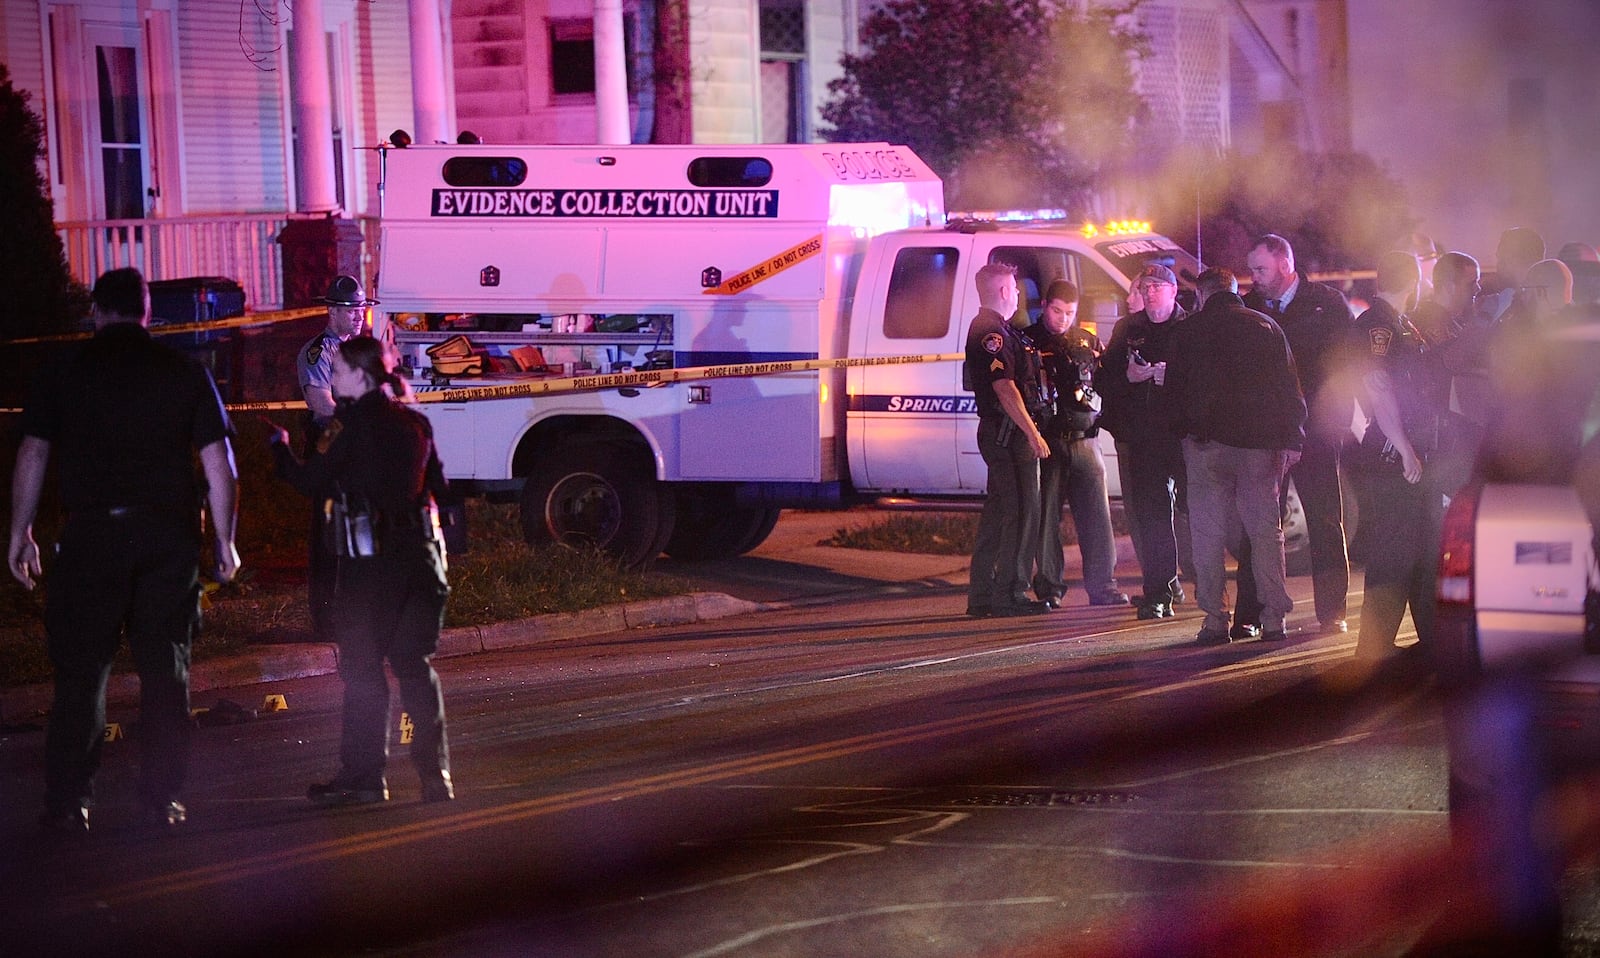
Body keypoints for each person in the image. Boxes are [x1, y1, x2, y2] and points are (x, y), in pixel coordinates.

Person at [8, 267, 241, 833]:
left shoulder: (63, 372)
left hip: (91, 538)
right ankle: (159, 801)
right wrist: (226, 542)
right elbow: (220, 465)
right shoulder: (185, 371)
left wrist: (19, 531)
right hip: (166, 539)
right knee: (167, 672)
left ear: (95, 310)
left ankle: (68, 804)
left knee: (82, 673)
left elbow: (34, 454)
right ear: (146, 312)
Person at [268, 335, 455, 805]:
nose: (330, 380)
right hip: (420, 564)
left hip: (369, 570)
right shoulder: (416, 424)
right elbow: (443, 496)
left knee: (364, 671)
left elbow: (310, 480)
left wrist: (280, 448)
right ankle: (436, 777)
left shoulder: (343, 428)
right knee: (415, 668)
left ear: (360, 376)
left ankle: (364, 778)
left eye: (337, 372)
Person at [1166, 268, 1305, 645]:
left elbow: (1173, 394)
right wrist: (1292, 438)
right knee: (1264, 534)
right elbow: (1289, 388)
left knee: (1208, 535)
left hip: (1206, 447)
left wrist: (1181, 440)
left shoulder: (1188, 332)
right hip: (1260, 450)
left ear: (1203, 295)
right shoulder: (1266, 327)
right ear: (1234, 291)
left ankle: (1215, 621)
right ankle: (1274, 619)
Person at [1242, 234, 1354, 634]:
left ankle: (1332, 612)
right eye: (1252, 269)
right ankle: (1253, 614)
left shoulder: (1326, 305)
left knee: (1326, 520)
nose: (1253, 277)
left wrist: (1338, 420)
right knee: (1258, 524)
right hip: (1269, 435)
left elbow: (1347, 367)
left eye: (1261, 269)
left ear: (1285, 264)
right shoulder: (1249, 308)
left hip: (1318, 431)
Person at [1348, 252, 1449, 661]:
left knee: (1424, 547)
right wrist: (1405, 448)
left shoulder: (1402, 323)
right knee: (1394, 549)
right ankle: (1373, 648)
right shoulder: (1380, 325)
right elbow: (1379, 388)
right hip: (1394, 454)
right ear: (1415, 281)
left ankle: (1432, 638)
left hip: (1412, 449)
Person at [1022, 279, 1128, 608]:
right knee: (1047, 519)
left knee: (1097, 518)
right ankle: (1050, 588)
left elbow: (1106, 382)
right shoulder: (1028, 341)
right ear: (1045, 306)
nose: (1062, 318)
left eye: (1069, 312)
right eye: (1056, 311)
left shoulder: (1087, 340)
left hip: (1086, 441)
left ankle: (1104, 587)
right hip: (1049, 441)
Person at [1096, 264, 1188, 620]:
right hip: (1145, 437)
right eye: (1145, 287)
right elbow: (1105, 381)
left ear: (1173, 290)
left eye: (1157, 287)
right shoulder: (1129, 329)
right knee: (1152, 517)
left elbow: (1206, 381)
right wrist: (1129, 376)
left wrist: (1173, 378)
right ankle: (1158, 593)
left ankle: (1212, 590)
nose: (1150, 293)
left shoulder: (1188, 328)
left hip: (1182, 436)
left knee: (1197, 512)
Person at [964, 262, 1053, 617]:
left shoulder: (996, 329)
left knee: (999, 513)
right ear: (1003, 291)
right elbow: (1004, 387)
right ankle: (1010, 594)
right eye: (1015, 288)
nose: (1018, 294)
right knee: (1020, 513)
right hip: (1008, 434)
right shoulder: (991, 333)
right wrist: (1033, 433)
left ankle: (983, 595)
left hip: (1002, 433)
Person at [298, 274, 376, 641]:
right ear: (330, 311)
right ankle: (326, 620)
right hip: (330, 442)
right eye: (350, 308)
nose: (358, 314)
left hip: (357, 444)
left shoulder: (362, 350)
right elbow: (320, 403)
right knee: (328, 532)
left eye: (360, 307)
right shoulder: (319, 352)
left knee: (360, 531)